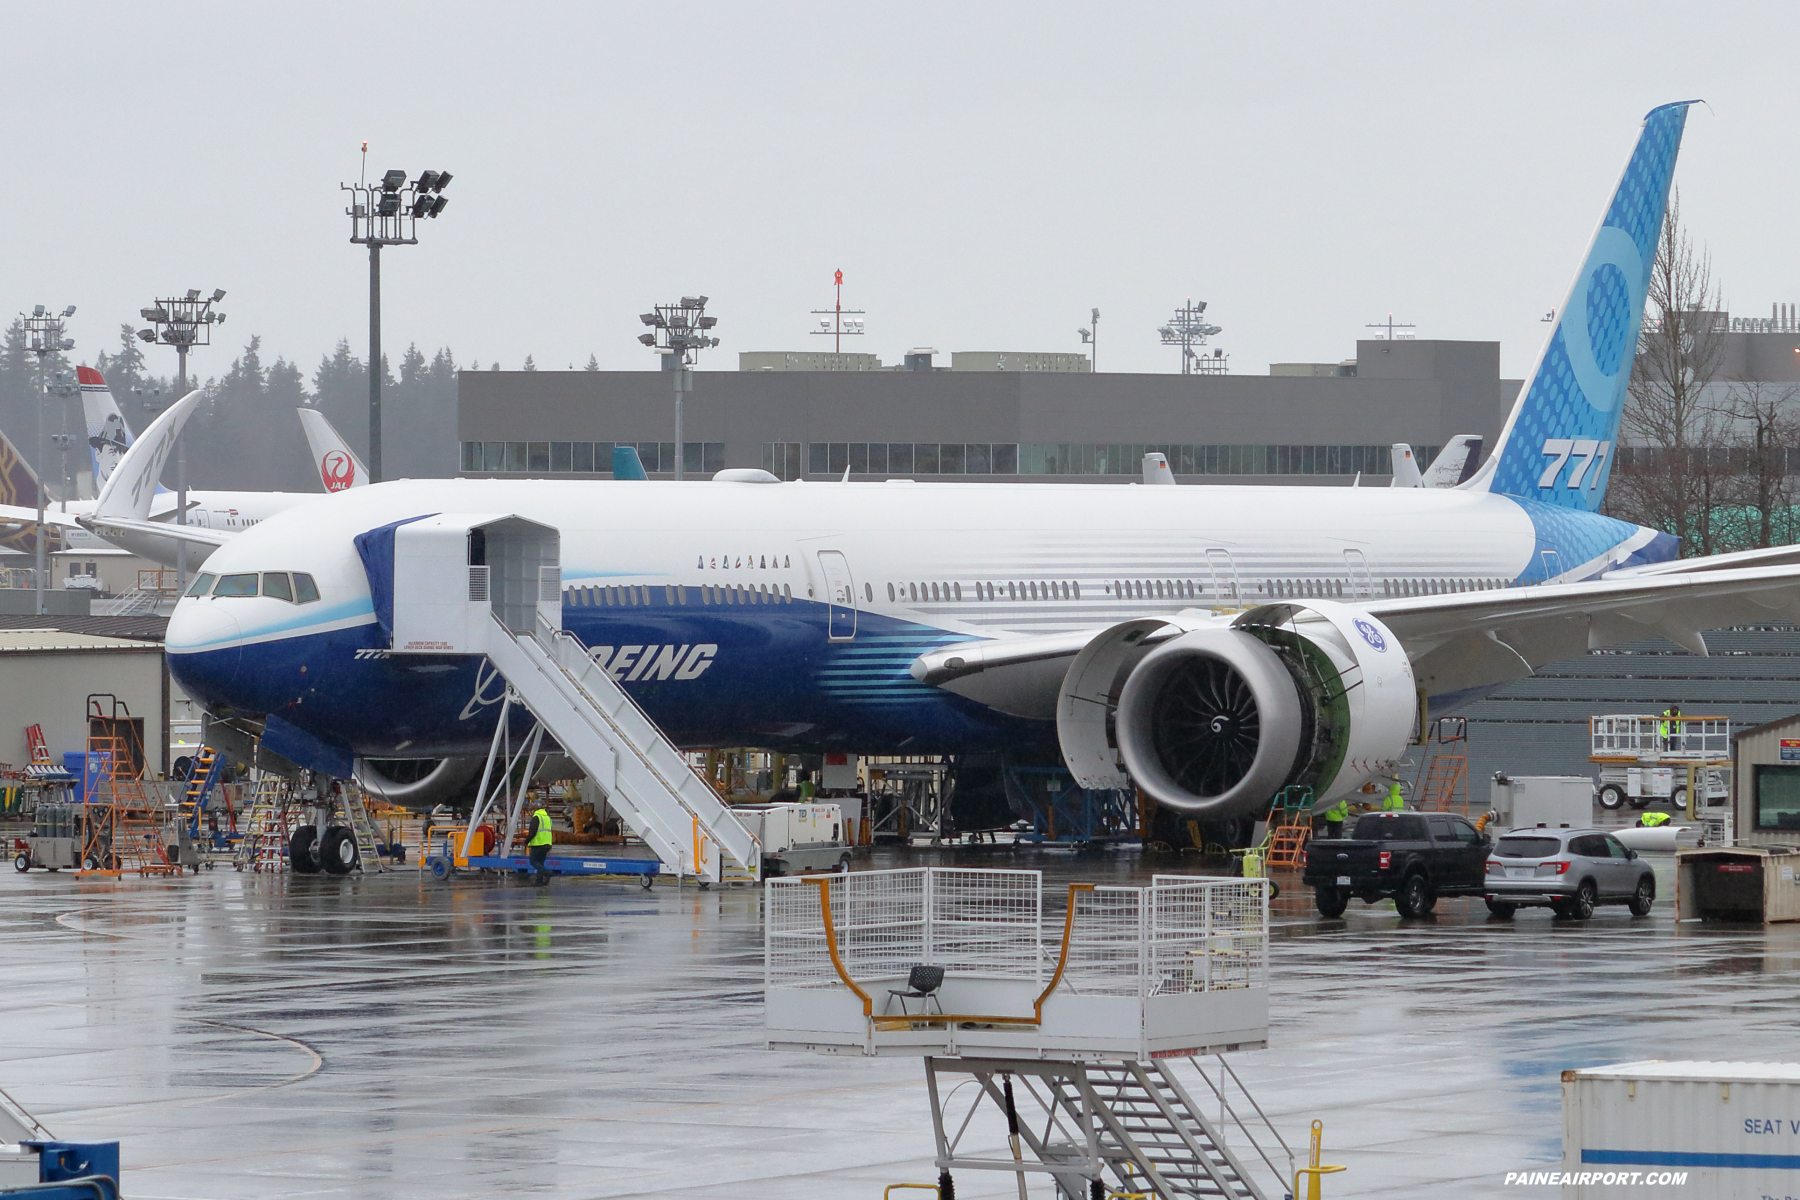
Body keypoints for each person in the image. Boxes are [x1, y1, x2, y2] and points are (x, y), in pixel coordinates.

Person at [527, 801, 554, 886]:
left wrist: (526, 841)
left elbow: (532, 832)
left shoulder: (536, 817)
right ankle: (539, 881)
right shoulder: (547, 818)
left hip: (538, 843)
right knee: (540, 863)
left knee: (533, 861)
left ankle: (547, 873)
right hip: (547, 844)